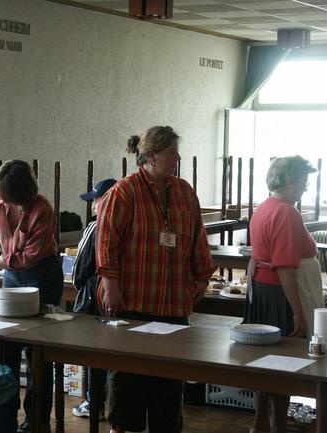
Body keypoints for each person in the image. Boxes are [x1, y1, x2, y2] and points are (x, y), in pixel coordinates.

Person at [96, 125, 215, 433]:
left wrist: (203, 278)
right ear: (150, 156)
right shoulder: (123, 192)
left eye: (177, 151)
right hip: (133, 303)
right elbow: (106, 245)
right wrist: (111, 289)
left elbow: (197, 238)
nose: (177, 158)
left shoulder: (185, 192)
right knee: (127, 382)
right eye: (171, 152)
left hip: (173, 303)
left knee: (168, 386)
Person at [0, 159, 63, 433]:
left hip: (41, 274)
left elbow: (27, 258)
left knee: (37, 349)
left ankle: (36, 420)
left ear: (22, 193)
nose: (1, 201)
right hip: (11, 274)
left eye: (7, 197)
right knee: (7, 345)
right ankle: (5, 414)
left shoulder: (42, 209)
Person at [245, 156, 323, 433]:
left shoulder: (264, 207)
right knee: (283, 363)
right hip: (280, 294)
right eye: (304, 181)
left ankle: (260, 423)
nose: (305, 187)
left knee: (263, 360)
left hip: (264, 292)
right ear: (290, 181)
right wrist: (298, 311)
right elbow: (285, 267)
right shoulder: (286, 212)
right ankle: (276, 425)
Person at [71, 177, 116, 421]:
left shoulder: (95, 227)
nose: (93, 205)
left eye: (96, 200)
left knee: (93, 353)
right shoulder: (127, 225)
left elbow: (80, 269)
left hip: (93, 296)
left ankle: (94, 403)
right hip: (118, 297)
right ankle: (113, 406)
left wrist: (81, 287)